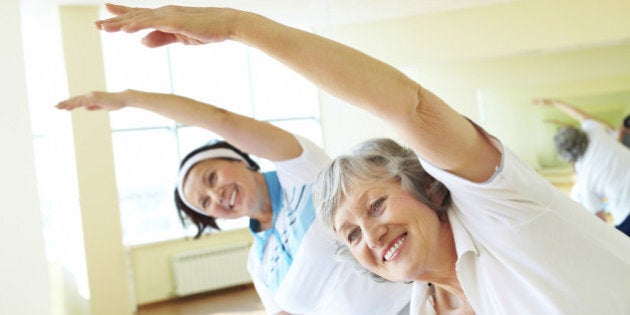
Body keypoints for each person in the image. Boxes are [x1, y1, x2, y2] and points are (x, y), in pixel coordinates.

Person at [91, 3, 630, 314]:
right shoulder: (424, 303)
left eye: (374, 207)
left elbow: (411, 107)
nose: (368, 237)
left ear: (428, 189)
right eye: (349, 235)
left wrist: (237, 28)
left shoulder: (505, 214)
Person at [56, 90, 412, 314]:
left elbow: (219, 119)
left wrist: (130, 99)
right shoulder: (259, 262)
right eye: (205, 203)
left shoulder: (304, 175)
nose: (216, 197)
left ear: (239, 157)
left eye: (212, 179)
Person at [534, 98, 630, 237]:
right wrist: (555, 102)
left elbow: (599, 219)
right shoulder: (595, 132)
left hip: (625, 214)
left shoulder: (584, 180)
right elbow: (581, 115)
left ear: (567, 157)